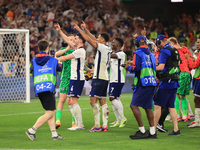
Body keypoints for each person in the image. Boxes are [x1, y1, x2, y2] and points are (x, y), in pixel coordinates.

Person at [74, 21, 111, 132]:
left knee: (93, 100)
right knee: (103, 101)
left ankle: (97, 125)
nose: (97, 38)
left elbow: (90, 41)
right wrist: (85, 29)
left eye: (99, 37)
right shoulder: (107, 48)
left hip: (99, 78)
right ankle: (104, 126)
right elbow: (93, 39)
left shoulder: (102, 48)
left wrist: (80, 31)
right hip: (104, 77)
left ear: (103, 40)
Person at [26, 39, 64, 141]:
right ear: (47, 48)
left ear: (38, 48)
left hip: (39, 88)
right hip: (48, 87)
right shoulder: (53, 60)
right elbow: (60, 68)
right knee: (50, 113)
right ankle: (32, 130)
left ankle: (54, 134)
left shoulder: (34, 60)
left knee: (50, 111)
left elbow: (30, 70)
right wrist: (58, 60)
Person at [125, 35, 157, 139]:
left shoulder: (137, 53)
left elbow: (136, 68)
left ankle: (142, 130)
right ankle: (152, 132)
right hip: (152, 82)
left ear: (137, 43)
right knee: (148, 107)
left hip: (142, 83)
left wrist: (128, 67)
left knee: (133, 105)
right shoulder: (151, 54)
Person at [55, 23, 86, 130]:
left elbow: (62, 58)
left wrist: (52, 60)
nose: (73, 40)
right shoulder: (69, 48)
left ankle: (77, 123)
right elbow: (58, 54)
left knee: (72, 101)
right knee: (67, 101)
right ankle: (72, 122)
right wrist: (59, 31)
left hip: (75, 78)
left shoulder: (77, 50)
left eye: (75, 38)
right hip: (68, 77)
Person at [154, 35, 181, 136]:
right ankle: (176, 130)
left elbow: (161, 67)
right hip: (175, 81)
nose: (157, 46)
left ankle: (153, 130)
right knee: (171, 106)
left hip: (166, 82)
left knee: (157, 106)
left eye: (157, 43)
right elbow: (178, 63)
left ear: (160, 42)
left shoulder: (164, 52)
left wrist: (151, 67)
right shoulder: (174, 50)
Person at [168, 37, 193, 122]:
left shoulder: (174, 51)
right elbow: (191, 62)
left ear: (172, 43)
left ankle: (179, 116)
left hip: (180, 73)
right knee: (181, 96)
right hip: (187, 73)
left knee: (177, 95)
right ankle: (185, 115)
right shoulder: (184, 50)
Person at [55, 35, 76, 129]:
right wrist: (67, 48)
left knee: (71, 101)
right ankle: (58, 120)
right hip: (64, 78)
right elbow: (56, 55)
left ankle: (74, 122)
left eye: (72, 39)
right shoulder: (64, 49)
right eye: (69, 39)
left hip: (73, 78)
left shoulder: (77, 51)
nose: (71, 41)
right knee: (62, 100)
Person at [109, 38, 127, 128]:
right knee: (115, 99)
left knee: (112, 98)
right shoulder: (114, 54)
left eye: (114, 42)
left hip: (118, 79)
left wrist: (106, 51)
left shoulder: (121, 54)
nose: (112, 43)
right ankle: (118, 120)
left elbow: (113, 56)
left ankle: (123, 118)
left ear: (119, 44)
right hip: (113, 79)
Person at [185, 37, 200, 128]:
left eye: (199, 42)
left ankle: (198, 121)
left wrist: (188, 58)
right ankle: (198, 120)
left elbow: (194, 65)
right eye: (197, 42)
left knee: (197, 99)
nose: (197, 44)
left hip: (199, 78)